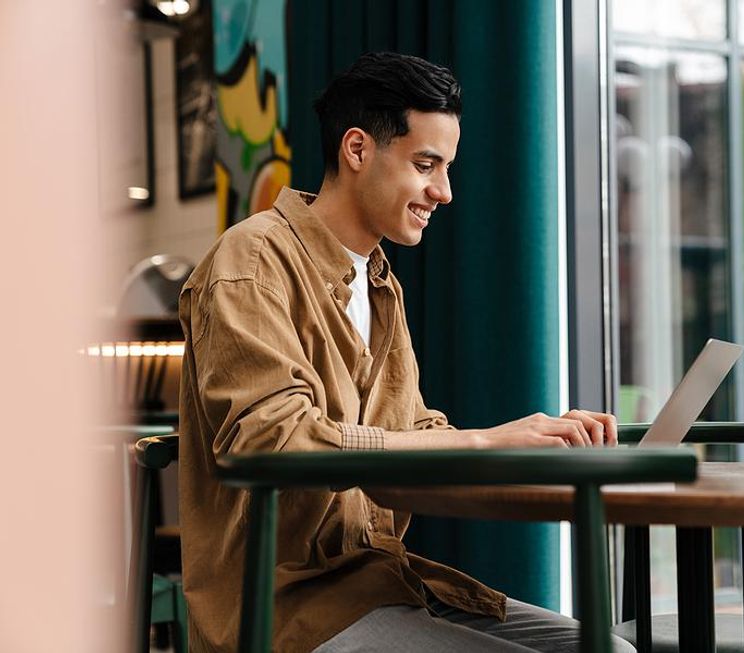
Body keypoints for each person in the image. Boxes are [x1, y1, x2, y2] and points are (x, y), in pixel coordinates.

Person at [178, 52, 633, 652]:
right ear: (358, 149)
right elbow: (270, 441)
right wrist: (484, 441)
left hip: (380, 582)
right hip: (284, 608)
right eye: (426, 165)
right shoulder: (252, 259)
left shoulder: (378, 282)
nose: (443, 192)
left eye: (446, 168)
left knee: (611, 649)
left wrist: (541, 446)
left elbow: (412, 430)